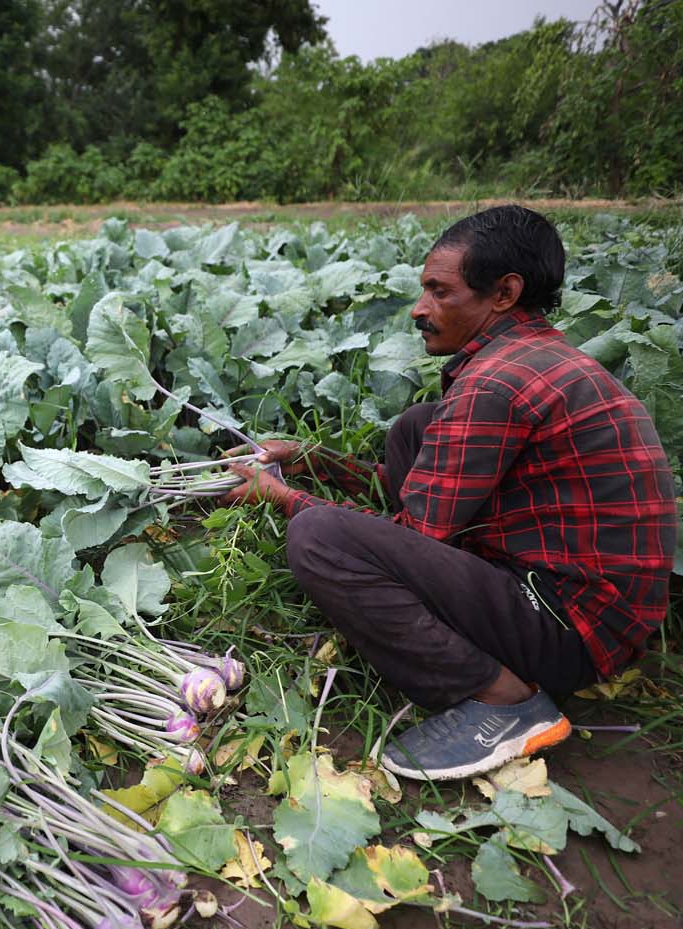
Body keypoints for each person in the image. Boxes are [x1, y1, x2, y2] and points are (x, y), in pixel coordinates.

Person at [226, 205, 676, 781]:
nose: (420, 309)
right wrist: (314, 461)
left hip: (572, 630)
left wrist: (286, 499)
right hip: (576, 606)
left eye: (440, 292)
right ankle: (502, 676)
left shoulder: (494, 382)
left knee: (318, 537)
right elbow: (430, 493)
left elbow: (410, 536)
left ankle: (502, 702)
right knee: (416, 425)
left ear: (504, 293)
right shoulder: (532, 359)